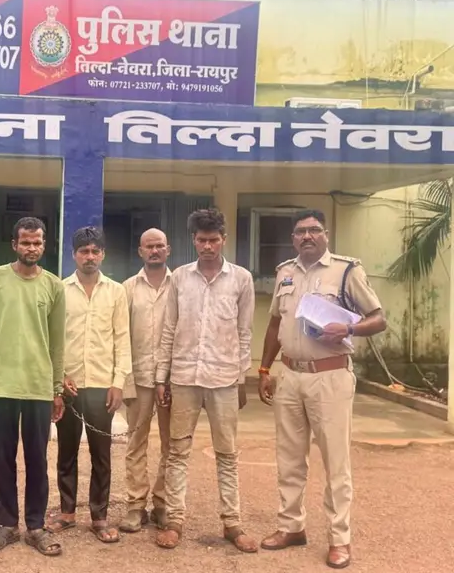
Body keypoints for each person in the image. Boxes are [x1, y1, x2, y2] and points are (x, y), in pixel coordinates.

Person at [257, 209, 386, 569]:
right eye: (300, 232)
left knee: (335, 461)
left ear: (325, 234)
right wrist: (264, 369)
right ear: (293, 239)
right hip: (290, 375)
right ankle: (291, 526)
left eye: (314, 230)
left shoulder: (346, 271)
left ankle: (339, 539)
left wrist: (348, 329)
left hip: (330, 376)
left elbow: (378, 318)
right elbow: (275, 324)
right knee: (289, 457)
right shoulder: (285, 272)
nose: (307, 236)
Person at [153, 208, 258, 553]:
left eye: (213, 240)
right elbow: (169, 328)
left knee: (227, 454)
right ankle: (174, 521)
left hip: (224, 379)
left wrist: (241, 378)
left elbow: (245, 333)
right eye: (202, 240)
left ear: (223, 239)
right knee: (177, 451)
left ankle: (232, 523)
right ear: (193, 241)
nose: (208, 246)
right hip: (184, 377)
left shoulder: (241, 279)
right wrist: (162, 377)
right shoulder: (180, 278)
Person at [0, 216, 67, 557]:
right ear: (14, 244)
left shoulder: (54, 286)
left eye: (37, 242)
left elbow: (57, 342)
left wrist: (56, 388)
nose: (32, 247)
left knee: (37, 459)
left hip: (39, 386)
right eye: (25, 242)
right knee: (4, 457)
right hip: (2, 384)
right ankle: (7, 524)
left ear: (44, 245)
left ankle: (36, 526)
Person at [45, 226, 132, 544]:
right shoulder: (59, 289)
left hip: (102, 385)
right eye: (84, 251)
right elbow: (52, 338)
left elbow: (122, 339)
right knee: (66, 451)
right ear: (74, 255)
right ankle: (67, 513)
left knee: (101, 455)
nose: (90, 256)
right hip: (69, 385)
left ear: (103, 254)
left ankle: (99, 516)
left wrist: (118, 382)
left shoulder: (116, 292)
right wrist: (58, 379)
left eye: (95, 251)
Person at [118, 228, 173, 533]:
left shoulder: (180, 285)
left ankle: (162, 503)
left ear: (168, 249)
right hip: (138, 377)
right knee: (136, 443)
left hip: (172, 379)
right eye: (149, 247)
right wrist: (123, 381)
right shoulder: (127, 288)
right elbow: (120, 336)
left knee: (171, 443)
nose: (154, 251)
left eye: (159, 246)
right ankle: (136, 506)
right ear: (140, 251)